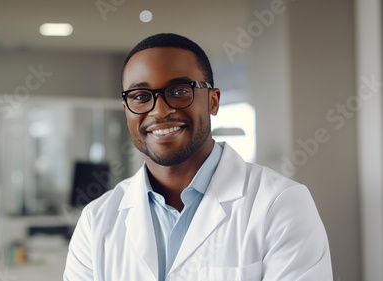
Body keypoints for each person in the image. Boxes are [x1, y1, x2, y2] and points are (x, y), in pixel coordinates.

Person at [63, 33, 333, 281]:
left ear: (213, 101)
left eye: (179, 91)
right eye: (141, 96)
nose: (159, 111)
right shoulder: (96, 221)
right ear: (126, 111)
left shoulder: (281, 204)